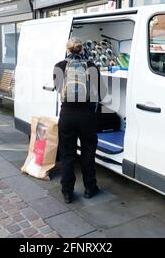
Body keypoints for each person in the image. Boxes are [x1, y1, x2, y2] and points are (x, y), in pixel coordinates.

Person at [53, 38, 107, 204]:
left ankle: (67, 192)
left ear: (67, 49)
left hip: (67, 115)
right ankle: (90, 188)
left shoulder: (60, 66)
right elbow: (102, 93)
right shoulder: (91, 66)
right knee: (88, 153)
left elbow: (58, 87)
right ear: (82, 49)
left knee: (67, 154)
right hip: (87, 116)